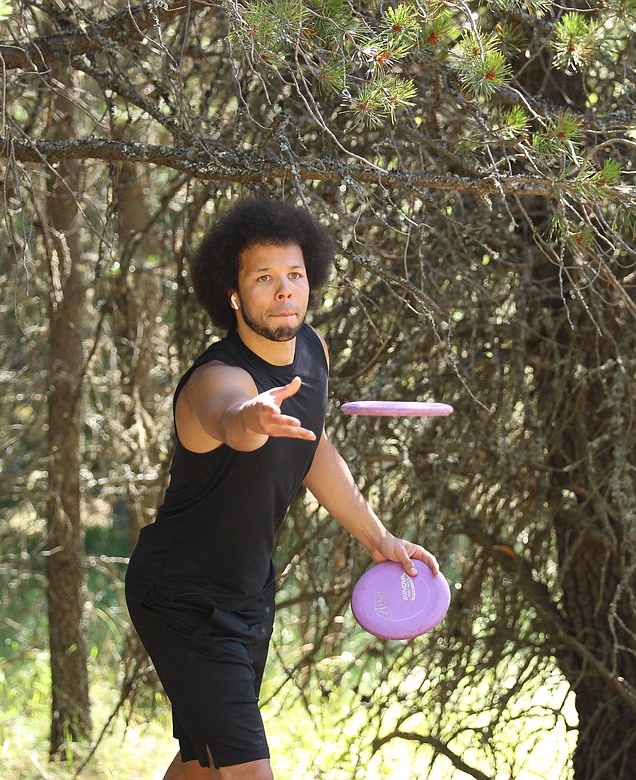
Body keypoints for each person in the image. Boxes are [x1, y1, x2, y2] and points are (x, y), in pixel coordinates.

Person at [125, 198, 439, 780]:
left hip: (247, 592)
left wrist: (379, 538)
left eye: (294, 275)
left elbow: (313, 448)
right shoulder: (215, 379)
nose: (284, 290)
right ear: (234, 293)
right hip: (180, 596)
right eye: (263, 278)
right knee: (247, 769)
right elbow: (232, 420)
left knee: (201, 761)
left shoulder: (312, 352)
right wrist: (251, 417)